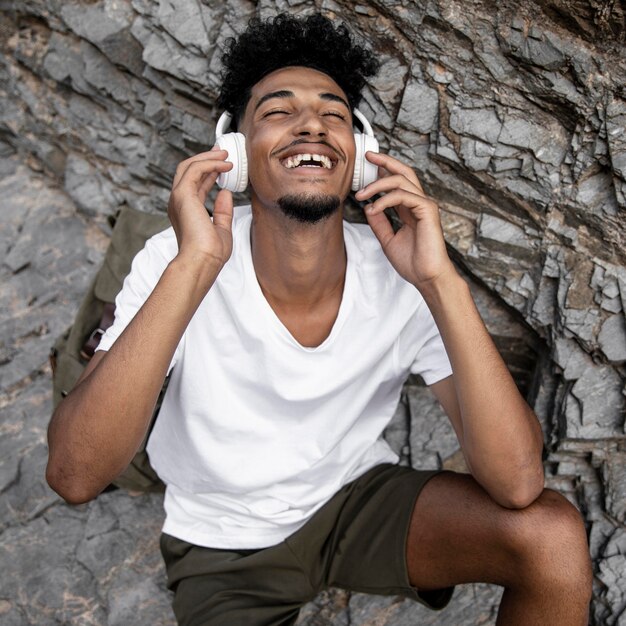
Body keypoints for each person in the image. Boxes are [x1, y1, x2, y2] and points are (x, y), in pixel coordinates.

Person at [47, 13, 592, 626]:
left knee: (551, 537)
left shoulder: (403, 276)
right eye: (278, 111)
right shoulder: (176, 259)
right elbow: (74, 473)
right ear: (235, 154)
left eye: (334, 114)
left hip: (354, 500)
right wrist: (195, 263)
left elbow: (519, 486)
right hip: (222, 541)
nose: (312, 124)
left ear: (361, 157)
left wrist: (440, 282)